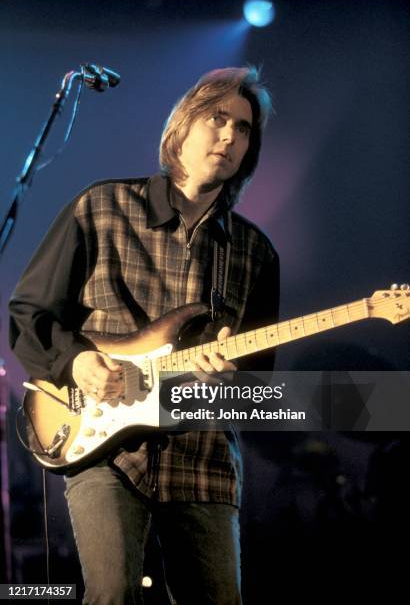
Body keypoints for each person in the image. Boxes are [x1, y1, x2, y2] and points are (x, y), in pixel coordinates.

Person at [9, 67, 280, 605]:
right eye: (218, 118)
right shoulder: (103, 207)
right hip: (105, 447)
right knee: (111, 593)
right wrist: (76, 363)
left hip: (203, 459)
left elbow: (259, 381)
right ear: (182, 125)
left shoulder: (254, 252)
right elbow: (30, 312)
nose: (230, 136)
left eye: (244, 129)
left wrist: (230, 381)